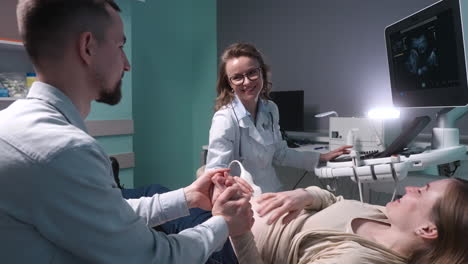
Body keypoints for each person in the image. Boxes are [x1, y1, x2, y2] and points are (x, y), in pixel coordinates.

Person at [0, 1, 254, 263]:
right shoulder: (63, 150)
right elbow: (154, 258)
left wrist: (187, 197)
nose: (127, 64)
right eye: (120, 47)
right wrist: (223, 225)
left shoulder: (13, 124)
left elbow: (108, 214)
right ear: (87, 46)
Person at [215, 177, 468, 264]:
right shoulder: (386, 215)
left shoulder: (356, 260)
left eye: (422, 191)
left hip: (225, 248)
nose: (411, 187)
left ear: (426, 229)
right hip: (230, 218)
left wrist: (237, 231)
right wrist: (306, 195)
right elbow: (335, 201)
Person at [205, 42, 350, 193]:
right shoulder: (225, 119)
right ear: (229, 83)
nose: (247, 82)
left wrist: (320, 157)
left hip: (272, 192)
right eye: (237, 77)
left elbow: (280, 153)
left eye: (252, 73)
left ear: (262, 72)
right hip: (242, 201)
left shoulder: (270, 109)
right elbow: (216, 173)